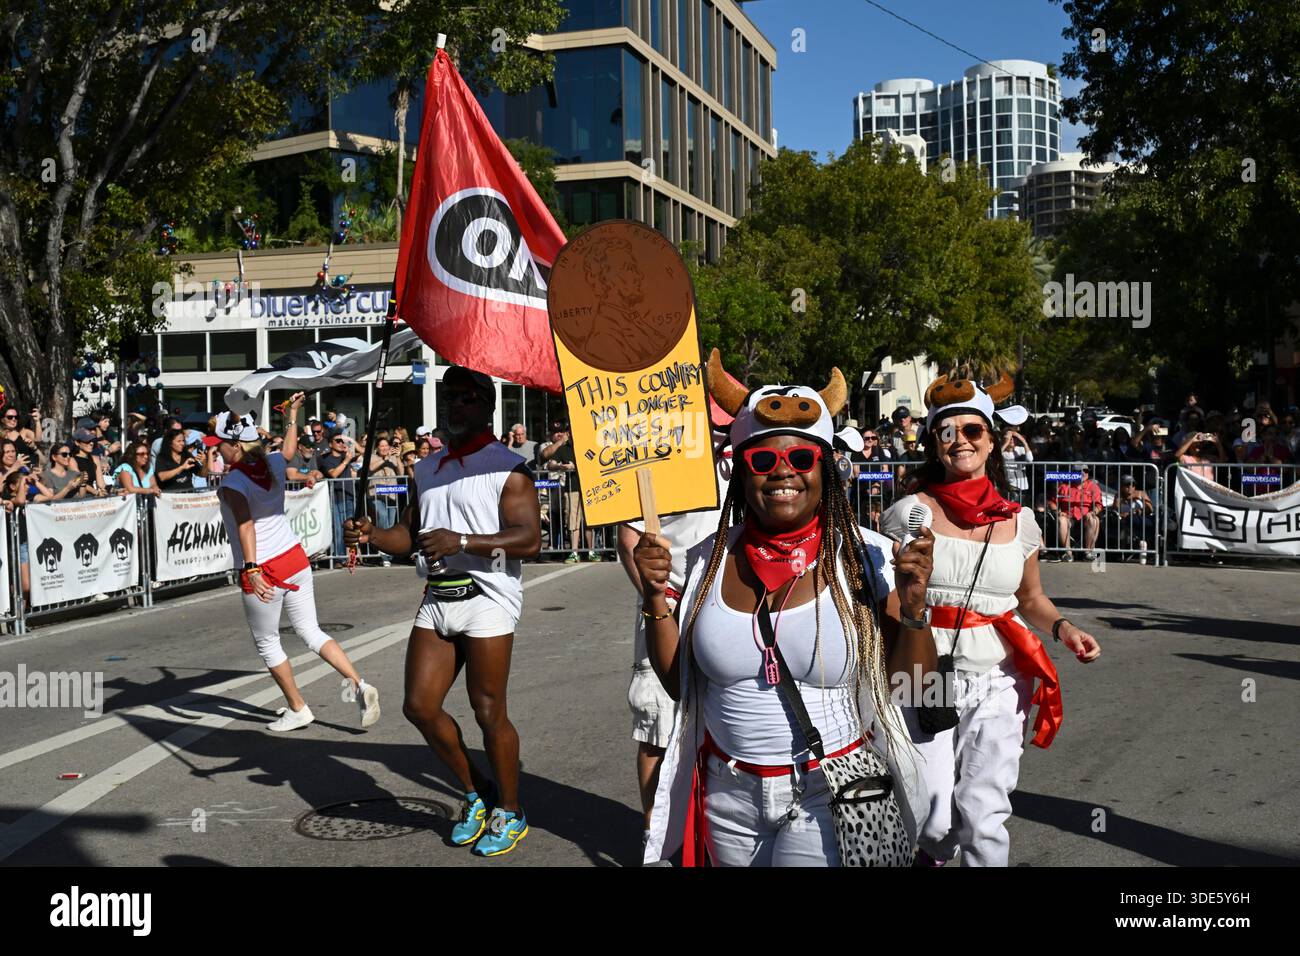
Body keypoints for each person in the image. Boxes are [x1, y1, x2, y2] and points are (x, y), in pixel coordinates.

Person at [639, 353, 937, 867]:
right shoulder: (706, 560)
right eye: (762, 461)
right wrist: (653, 600)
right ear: (741, 472)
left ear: (825, 469)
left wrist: (913, 609)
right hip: (727, 796)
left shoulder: (865, 556)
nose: (782, 473)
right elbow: (679, 684)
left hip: (829, 792)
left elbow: (912, 684)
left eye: (801, 459)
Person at [884, 371, 1101, 867]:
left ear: (991, 441)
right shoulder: (905, 514)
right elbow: (887, 599)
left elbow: (1031, 598)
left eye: (972, 431)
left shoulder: (1020, 520)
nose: (959, 441)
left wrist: (1066, 630)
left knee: (984, 813)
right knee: (932, 817)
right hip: (922, 673)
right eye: (946, 432)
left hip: (1000, 676)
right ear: (933, 442)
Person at [344, 366, 541, 858]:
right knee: (419, 707)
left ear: (486, 405)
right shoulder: (427, 467)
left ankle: (511, 811)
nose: (455, 405)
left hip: (488, 597)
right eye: (449, 397)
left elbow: (530, 539)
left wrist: (464, 541)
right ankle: (479, 793)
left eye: (466, 397)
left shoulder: (509, 468)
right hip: (437, 595)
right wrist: (372, 534)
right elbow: (407, 536)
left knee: (488, 710)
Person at [215, 394, 380, 732]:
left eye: (221, 444)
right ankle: (359, 684)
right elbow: (289, 448)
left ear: (235, 446)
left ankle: (298, 707)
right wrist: (292, 413)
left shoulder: (234, 481)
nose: (217, 449)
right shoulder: (273, 463)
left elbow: (245, 524)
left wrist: (250, 568)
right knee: (310, 630)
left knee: (267, 642)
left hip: (264, 567)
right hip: (294, 557)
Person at [616, 437, 728, 851]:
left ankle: (714, 833)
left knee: (729, 723)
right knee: (657, 727)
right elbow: (628, 537)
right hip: (669, 604)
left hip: (729, 608)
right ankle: (656, 836)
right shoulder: (655, 451)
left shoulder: (744, 448)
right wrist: (657, 598)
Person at [538, 420, 602, 563]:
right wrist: (561, 466)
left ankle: (591, 551)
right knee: (573, 521)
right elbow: (550, 464)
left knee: (589, 521)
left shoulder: (587, 446)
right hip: (572, 488)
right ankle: (574, 552)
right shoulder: (564, 448)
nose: (572, 433)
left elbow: (595, 462)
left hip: (588, 488)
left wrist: (577, 466)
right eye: (570, 431)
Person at [317, 431, 357, 556]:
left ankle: (352, 557)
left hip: (349, 495)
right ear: (330, 444)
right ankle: (339, 558)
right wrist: (346, 461)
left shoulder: (347, 454)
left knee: (351, 528)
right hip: (335, 497)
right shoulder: (325, 459)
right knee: (338, 530)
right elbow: (333, 474)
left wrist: (349, 440)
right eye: (338, 441)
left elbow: (364, 451)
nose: (341, 443)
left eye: (342, 441)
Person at [1053, 464, 1104, 561]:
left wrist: (1093, 512)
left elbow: (1099, 505)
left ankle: (1088, 553)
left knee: (1094, 519)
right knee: (1061, 520)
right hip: (1068, 516)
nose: (1083, 473)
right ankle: (1068, 553)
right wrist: (1058, 512)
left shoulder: (1093, 486)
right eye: (1080, 471)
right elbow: (1053, 502)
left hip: (1085, 517)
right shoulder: (1064, 487)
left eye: (1086, 471)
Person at [156, 427, 205, 491]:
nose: (182, 443)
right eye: (179, 441)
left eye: (183, 441)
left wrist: (205, 462)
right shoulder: (162, 457)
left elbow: (203, 474)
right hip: (171, 497)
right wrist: (181, 468)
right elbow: (162, 477)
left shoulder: (187, 455)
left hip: (189, 496)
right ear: (170, 443)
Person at [70, 428, 108, 497]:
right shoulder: (71, 460)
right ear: (77, 442)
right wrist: (96, 492)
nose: (91, 443)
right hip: (77, 497)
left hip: (92, 497)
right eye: (87, 441)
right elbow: (79, 481)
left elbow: (101, 484)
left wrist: (105, 491)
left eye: (92, 440)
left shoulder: (95, 459)